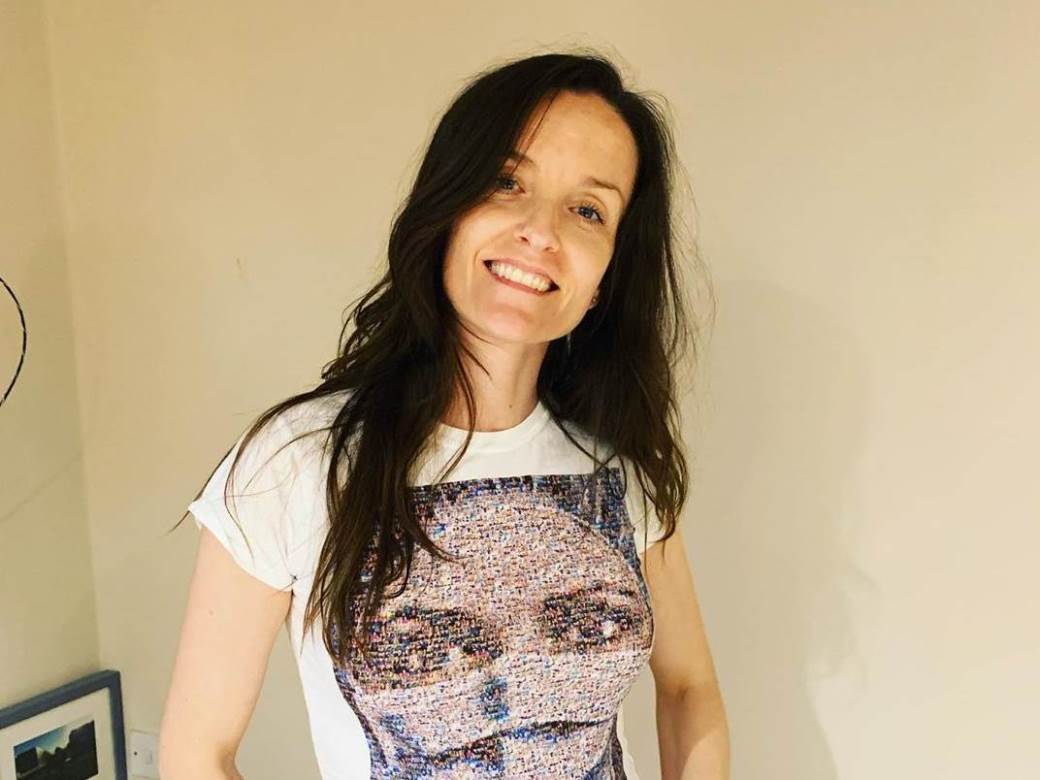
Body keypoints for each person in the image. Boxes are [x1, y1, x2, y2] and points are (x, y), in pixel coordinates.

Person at [159, 50, 730, 780]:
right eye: (507, 182)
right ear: (447, 211)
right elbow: (197, 753)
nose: (541, 231)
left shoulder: (619, 468)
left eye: (588, 210)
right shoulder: (296, 463)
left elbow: (688, 688)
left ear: (605, 277)